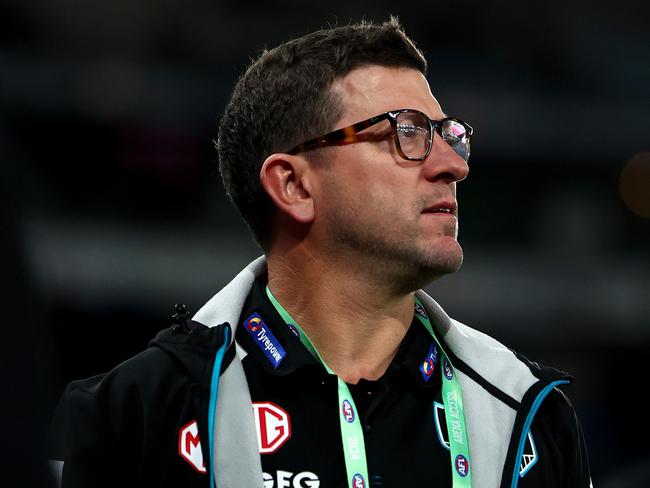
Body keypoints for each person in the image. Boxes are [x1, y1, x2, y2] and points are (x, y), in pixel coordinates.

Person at [49, 18, 592, 488]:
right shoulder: (134, 414)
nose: (453, 164)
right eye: (406, 133)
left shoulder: (531, 414)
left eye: (447, 135)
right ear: (294, 186)